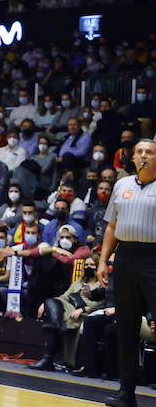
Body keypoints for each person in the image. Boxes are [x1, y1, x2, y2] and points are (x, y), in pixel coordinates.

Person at [95, 138, 156, 407]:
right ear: (132, 158)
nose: (144, 155)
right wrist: (102, 261)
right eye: (140, 152)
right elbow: (111, 227)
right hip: (126, 258)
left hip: (154, 259)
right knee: (126, 327)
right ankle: (126, 392)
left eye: (150, 152)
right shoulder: (121, 185)